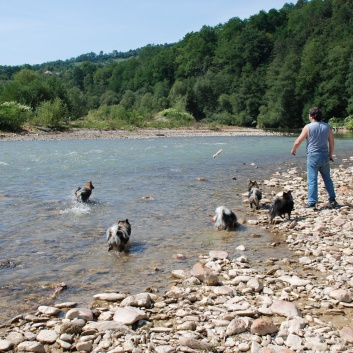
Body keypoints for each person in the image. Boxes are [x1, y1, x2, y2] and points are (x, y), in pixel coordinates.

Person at [291, 107, 338, 209]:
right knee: (327, 179)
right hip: (325, 155)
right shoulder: (327, 127)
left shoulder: (308, 127)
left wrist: (294, 150)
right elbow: (332, 143)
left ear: (311, 116)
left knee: (312, 179)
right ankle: (332, 200)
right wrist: (330, 155)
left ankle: (312, 202)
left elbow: (298, 141)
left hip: (313, 155)